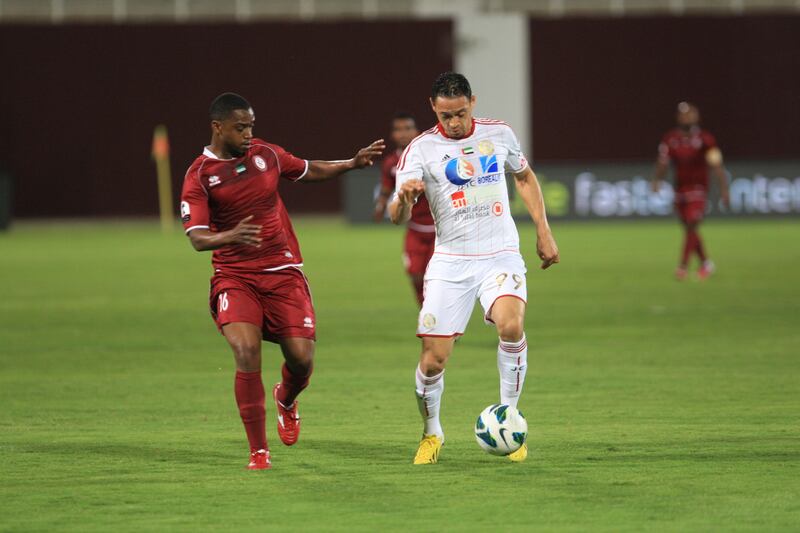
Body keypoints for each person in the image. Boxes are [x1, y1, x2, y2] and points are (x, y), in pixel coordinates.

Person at [180, 93, 384, 470]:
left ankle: (286, 399)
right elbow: (196, 236)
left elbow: (309, 169)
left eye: (251, 126)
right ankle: (259, 452)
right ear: (217, 127)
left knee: (302, 360)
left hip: (283, 272)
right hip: (235, 277)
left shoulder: (266, 155)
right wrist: (230, 236)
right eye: (240, 127)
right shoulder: (199, 175)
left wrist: (352, 164)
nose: (248, 133)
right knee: (246, 351)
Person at [389, 72, 559, 464]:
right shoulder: (419, 150)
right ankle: (432, 433)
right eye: (446, 115)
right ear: (433, 108)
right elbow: (397, 217)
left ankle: (509, 420)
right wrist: (404, 197)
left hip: (500, 253)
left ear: (473, 103)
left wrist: (544, 231)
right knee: (434, 359)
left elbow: (525, 177)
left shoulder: (499, 134)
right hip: (451, 261)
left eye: (461, 114)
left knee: (511, 325)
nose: (454, 123)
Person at [652, 101, 730, 280]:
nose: (687, 117)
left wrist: (724, 189)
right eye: (683, 114)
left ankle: (683, 267)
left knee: (692, 223)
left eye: (690, 114)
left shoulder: (705, 139)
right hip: (680, 191)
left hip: (698, 190)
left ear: (696, 117)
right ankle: (706, 263)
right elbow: (662, 163)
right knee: (689, 229)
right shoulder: (670, 139)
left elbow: (716, 165)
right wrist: (656, 180)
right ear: (678, 117)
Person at [374, 112, 435, 306]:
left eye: (407, 128)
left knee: (436, 279)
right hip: (415, 229)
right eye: (398, 129)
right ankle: (427, 315)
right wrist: (381, 205)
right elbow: (386, 188)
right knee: (415, 275)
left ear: (416, 132)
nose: (402, 133)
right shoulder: (391, 163)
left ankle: (442, 321)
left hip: (439, 230)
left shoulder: (430, 157)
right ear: (392, 135)